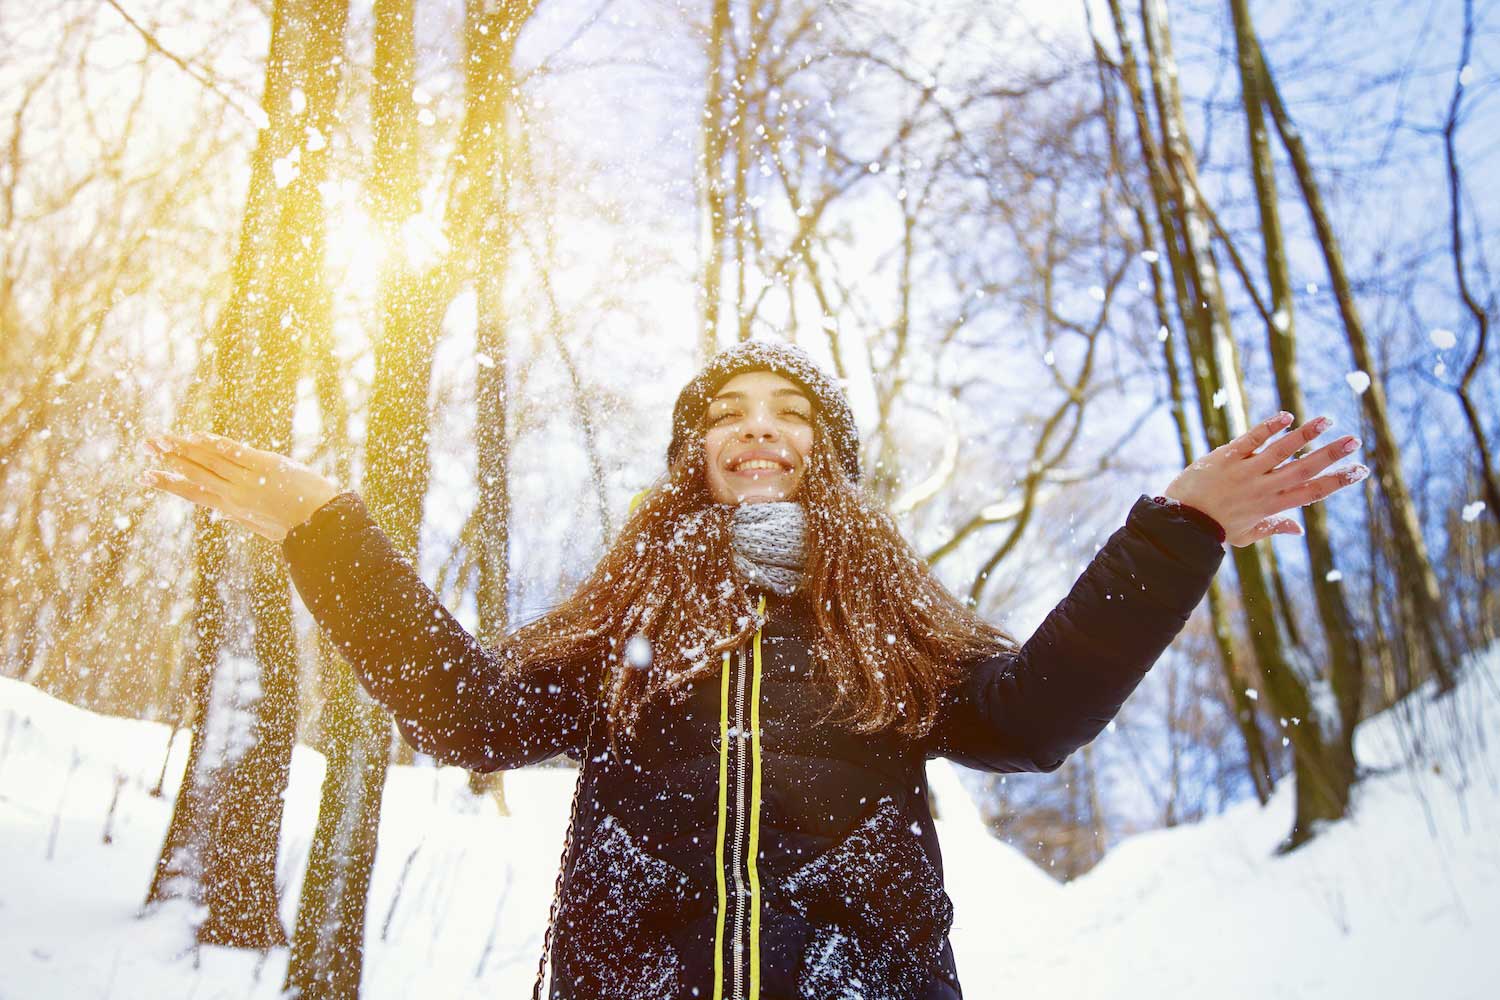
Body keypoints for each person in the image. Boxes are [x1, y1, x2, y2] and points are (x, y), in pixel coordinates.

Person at [137, 340, 1367, 1000]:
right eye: (730, 410)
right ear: (696, 454)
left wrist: (1178, 528)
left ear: (820, 456)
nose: (759, 425)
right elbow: (470, 713)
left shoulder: (883, 625)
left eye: (789, 410)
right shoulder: (630, 625)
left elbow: (1033, 716)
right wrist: (325, 531)